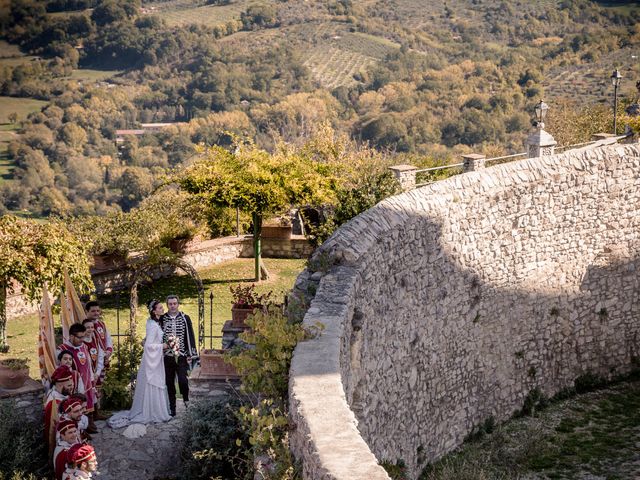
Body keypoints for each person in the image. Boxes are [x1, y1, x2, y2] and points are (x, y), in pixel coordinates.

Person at [107, 299, 172, 428]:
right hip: (151, 361)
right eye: (160, 308)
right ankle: (151, 412)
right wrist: (163, 346)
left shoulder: (153, 322)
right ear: (154, 311)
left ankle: (154, 409)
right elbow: (148, 346)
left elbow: (146, 340)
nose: (162, 309)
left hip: (155, 359)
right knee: (152, 382)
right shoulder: (153, 325)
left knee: (155, 383)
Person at [161, 294, 197, 416]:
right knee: (169, 383)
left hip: (181, 356)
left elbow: (190, 335)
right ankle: (172, 409)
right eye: (170, 304)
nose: (172, 306)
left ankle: (186, 401)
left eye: (174, 303)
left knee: (183, 381)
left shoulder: (185, 318)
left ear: (178, 304)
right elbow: (158, 335)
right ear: (167, 305)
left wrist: (190, 353)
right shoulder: (162, 318)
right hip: (167, 357)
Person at [58, 324, 97, 433]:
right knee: (75, 409)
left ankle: (88, 425)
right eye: (80, 337)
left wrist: (92, 379)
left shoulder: (84, 346)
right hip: (73, 385)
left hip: (87, 382)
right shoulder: (62, 349)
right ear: (71, 336)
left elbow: (88, 364)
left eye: (83, 337)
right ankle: (78, 431)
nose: (82, 340)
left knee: (87, 405)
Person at [84, 301, 112, 417]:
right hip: (91, 362)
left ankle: (97, 411)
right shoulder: (85, 326)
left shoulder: (102, 324)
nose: (96, 313)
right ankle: (90, 413)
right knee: (91, 387)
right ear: (87, 312)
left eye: (97, 310)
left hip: (101, 360)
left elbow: (108, 339)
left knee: (98, 387)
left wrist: (108, 352)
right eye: (93, 311)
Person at [45, 366, 74, 458]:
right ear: (60, 385)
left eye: (72, 385)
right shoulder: (53, 403)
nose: (72, 388)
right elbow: (53, 427)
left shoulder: (63, 394)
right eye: (69, 385)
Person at [82, 319, 105, 422]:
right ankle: (88, 418)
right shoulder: (81, 342)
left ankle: (96, 414)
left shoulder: (95, 339)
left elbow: (100, 356)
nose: (90, 329)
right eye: (87, 328)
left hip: (95, 372)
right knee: (88, 393)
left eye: (92, 327)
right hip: (86, 373)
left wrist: (98, 372)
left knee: (94, 392)